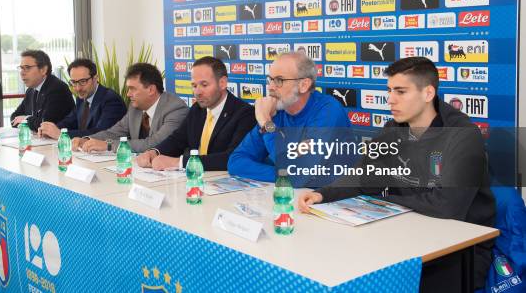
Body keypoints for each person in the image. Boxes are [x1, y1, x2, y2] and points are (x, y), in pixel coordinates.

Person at [297, 57, 495, 291]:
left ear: (428, 93)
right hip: (406, 234)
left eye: (401, 91)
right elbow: (363, 175)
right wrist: (322, 195)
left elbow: (446, 207)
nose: (390, 99)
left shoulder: (463, 135)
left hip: (458, 251)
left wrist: (382, 197)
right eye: (390, 90)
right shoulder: (393, 129)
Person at [227, 51, 350, 182]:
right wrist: (285, 174)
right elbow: (236, 162)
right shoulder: (275, 110)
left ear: (304, 85)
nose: (270, 87)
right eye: (270, 79)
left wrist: (265, 122)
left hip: (333, 197)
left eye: (279, 80)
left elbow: (301, 173)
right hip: (292, 193)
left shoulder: (328, 110)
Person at [137, 56, 256, 171]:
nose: (197, 92)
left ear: (222, 83)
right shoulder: (197, 109)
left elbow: (231, 157)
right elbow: (177, 139)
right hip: (195, 180)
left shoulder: (244, 113)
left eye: (204, 85)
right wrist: (154, 152)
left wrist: (179, 162)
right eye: (194, 86)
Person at [73, 63, 188, 153]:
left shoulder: (175, 109)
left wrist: (108, 145)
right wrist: (87, 139)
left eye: (132, 89)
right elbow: (113, 133)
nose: (128, 94)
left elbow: (154, 144)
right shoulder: (136, 108)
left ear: (151, 90)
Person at [38, 58, 126, 139]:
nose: (78, 88)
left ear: (95, 78)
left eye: (83, 81)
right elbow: (70, 121)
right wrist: (50, 129)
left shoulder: (111, 100)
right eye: (74, 82)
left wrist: (61, 134)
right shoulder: (81, 97)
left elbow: (101, 133)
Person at [10, 50, 74, 132]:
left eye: (27, 68)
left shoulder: (57, 89)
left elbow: (46, 124)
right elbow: (14, 118)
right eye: (21, 68)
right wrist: (30, 121)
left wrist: (25, 119)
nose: (22, 73)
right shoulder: (31, 90)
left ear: (43, 70)